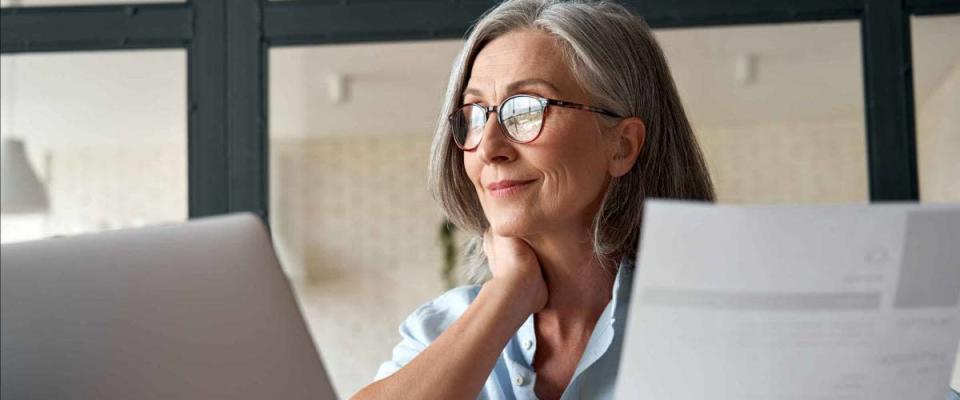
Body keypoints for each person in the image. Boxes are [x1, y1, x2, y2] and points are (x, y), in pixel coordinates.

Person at [351, 0, 960, 399]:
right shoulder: (441, 329)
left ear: (623, 145)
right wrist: (506, 297)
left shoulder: (733, 319)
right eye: (474, 114)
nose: (489, 144)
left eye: (525, 108)